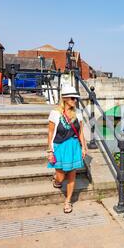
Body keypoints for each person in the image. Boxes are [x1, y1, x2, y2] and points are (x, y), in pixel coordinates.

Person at [47, 85, 87, 213]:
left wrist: (84, 147)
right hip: (59, 146)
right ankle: (56, 180)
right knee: (60, 176)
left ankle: (68, 201)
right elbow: (50, 133)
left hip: (74, 146)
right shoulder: (55, 113)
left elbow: (80, 132)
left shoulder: (78, 113)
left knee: (71, 175)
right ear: (64, 98)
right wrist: (50, 150)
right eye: (72, 98)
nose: (75, 100)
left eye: (76, 98)